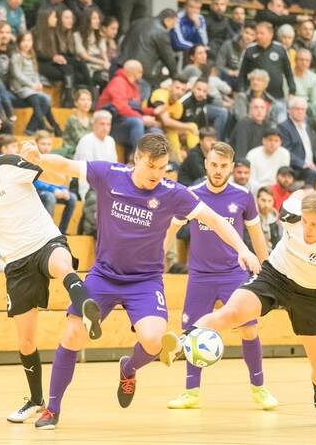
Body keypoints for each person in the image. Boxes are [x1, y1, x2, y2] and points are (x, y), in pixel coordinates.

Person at [19, 133, 260, 429]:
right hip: (104, 275)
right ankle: (52, 409)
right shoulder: (109, 174)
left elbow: (216, 220)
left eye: (163, 168)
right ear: (136, 159)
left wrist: (243, 249)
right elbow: (67, 165)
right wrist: (39, 158)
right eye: (151, 166)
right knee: (73, 335)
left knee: (154, 340)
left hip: (145, 282)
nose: (156, 174)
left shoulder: (173, 192)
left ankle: (129, 368)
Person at [0, 128, 102, 422]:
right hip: (17, 262)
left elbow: (58, 179)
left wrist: (38, 158)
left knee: (63, 265)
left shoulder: (10, 163)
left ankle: (86, 306)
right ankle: (36, 400)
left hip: (45, 241)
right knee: (26, 342)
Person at [166, 190, 316, 426]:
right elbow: (298, 195)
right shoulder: (292, 212)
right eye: (305, 221)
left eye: (315, 224)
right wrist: (306, 195)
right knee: (232, 312)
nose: (307, 229)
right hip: (275, 276)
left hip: (310, 295)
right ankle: (181, 343)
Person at [164, 142, 276, 410]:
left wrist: (268, 271)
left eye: (224, 166)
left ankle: (259, 388)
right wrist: (157, 261)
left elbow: (256, 235)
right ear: (206, 164)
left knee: (249, 329)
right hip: (199, 276)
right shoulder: (191, 195)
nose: (218, 170)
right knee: (193, 332)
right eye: (213, 164)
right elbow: (170, 230)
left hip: (234, 275)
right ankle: (191, 393)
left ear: (232, 167)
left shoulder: (243, 195)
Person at [96, 60, 163, 158]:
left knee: (155, 131)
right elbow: (121, 107)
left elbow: (136, 108)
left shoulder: (134, 86)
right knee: (137, 122)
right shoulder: (118, 82)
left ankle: (156, 161)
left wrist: (153, 111)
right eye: (140, 71)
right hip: (111, 124)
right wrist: (142, 119)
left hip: (128, 123)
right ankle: (139, 159)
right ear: (135, 72)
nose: (142, 74)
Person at [9, 31, 61, 136]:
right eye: (23, 41)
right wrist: (31, 85)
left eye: (29, 40)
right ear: (19, 42)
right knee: (35, 98)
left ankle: (31, 128)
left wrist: (38, 83)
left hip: (31, 87)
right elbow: (17, 74)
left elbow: (35, 73)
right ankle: (44, 124)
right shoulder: (16, 56)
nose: (26, 43)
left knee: (46, 99)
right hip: (20, 87)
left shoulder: (31, 56)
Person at [279, 96, 316, 185]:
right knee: (310, 174)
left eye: (303, 109)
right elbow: (286, 152)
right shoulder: (283, 127)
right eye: (297, 109)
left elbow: (313, 151)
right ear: (289, 110)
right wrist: (303, 164)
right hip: (296, 168)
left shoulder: (307, 126)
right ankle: (310, 193)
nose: (300, 112)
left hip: (310, 166)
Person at [117, 9, 179, 87]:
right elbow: (168, 56)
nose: (173, 27)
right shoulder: (161, 32)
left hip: (124, 65)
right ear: (167, 20)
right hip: (143, 72)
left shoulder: (137, 22)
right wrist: (175, 76)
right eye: (173, 23)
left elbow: (124, 43)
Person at [237, 22, 296, 103]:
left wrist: (292, 91)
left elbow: (288, 72)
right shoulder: (249, 50)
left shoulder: (280, 49)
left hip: (277, 97)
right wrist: (241, 91)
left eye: (262, 33)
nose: (258, 36)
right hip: (255, 98)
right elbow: (242, 74)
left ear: (271, 35)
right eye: (257, 33)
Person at [34, 131, 77, 236]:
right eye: (43, 144)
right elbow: (35, 181)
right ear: (36, 143)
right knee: (50, 197)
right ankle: (47, 233)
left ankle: (60, 233)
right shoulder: (33, 159)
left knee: (72, 197)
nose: (46, 147)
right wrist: (54, 190)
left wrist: (63, 189)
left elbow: (57, 179)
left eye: (49, 144)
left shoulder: (52, 160)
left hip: (51, 190)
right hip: (35, 191)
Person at [150, 78, 199, 163]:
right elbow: (167, 122)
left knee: (192, 127)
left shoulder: (178, 106)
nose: (179, 92)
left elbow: (173, 125)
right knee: (188, 127)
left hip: (163, 128)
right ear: (170, 86)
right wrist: (189, 127)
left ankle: (196, 157)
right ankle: (177, 161)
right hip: (147, 124)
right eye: (177, 88)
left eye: (183, 90)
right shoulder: (161, 94)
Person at [247, 127, 291, 195]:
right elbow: (250, 178)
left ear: (280, 142)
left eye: (276, 141)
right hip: (257, 189)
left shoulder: (285, 154)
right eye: (270, 140)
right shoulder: (252, 154)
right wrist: (263, 189)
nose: (273, 143)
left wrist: (274, 189)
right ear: (263, 141)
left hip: (277, 189)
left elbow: (283, 176)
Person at [58, 89, 92, 159]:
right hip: (71, 154)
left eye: (88, 100)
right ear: (76, 103)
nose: (86, 102)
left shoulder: (91, 121)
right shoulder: (72, 119)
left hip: (85, 154)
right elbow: (80, 140)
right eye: (83, 99)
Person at [293, 48, 316, 125]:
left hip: (308, 108)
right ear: (295, 60)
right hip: (292, 107)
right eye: (301, 60)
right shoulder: (288, 75)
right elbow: (287, 98)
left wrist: (306, 106)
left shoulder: (314, 77)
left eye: (307, 60)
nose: (304, 62)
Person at [255, 187, 282, 251]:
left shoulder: (275, 218)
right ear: (257, 200)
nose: (266, 205)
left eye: (269, 201)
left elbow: (277, 242)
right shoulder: (251, 218)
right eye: (263, 200)